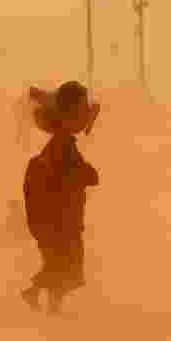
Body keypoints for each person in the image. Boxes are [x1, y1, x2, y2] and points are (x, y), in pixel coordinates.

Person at [20, 81, 101, 315]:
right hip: (59, 221)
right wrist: (86, 174)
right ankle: (36, 294)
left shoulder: (62, 144)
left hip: (61, 220)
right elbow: (73, 174)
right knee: (65, 264)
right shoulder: (62, 146)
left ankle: (47, 302)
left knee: (63, 264)